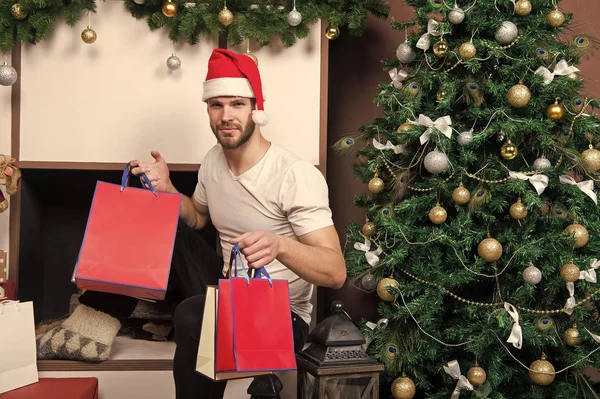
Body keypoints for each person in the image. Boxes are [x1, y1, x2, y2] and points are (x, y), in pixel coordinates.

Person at [36, 48, 346, 398]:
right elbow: (196, 218)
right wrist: (167, 190)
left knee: (194, 314)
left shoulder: (295, 174)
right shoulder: (213, 161)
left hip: (279, 315)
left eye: (237, 104)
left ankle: (98, 323)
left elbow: (335, 271)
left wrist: (281, 245)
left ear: (256, 108)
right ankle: (92, 323)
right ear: (208, 110)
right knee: (153, 218)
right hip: (224, 288)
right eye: (216, 105)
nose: (226, 116)